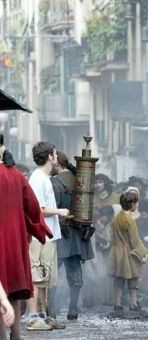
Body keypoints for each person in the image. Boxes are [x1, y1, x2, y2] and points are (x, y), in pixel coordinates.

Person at [0, 136, 53, 339]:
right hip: (14, 242)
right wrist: (40, 230)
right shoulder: (15, 174)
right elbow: (32, 208)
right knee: (12, 291)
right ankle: (15, 336)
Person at [27, 142, 69, 330]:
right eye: (54, 154)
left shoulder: (44, 177)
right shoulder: (37, 179)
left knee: (45, 278)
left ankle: (43, 315)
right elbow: (38, 210)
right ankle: (34, 318)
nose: (56, 157)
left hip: (48, 236)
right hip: (39, 237)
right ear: (49, 157)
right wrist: (59, 212)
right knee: (37, 277)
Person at [49, 151, 94, 320]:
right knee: (75, 272)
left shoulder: (54, 182)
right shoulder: (80, 180)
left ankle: (51, 309)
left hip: (60, 233)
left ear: (57, 163)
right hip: (77, 234)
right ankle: (73, 308)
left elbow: (51, 208)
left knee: (53, 273)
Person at [107, 191, 148, 312]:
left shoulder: (116, 218)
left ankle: (117, 303)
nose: (137, 204)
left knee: (119, 279)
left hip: (116, 251)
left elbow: (112, 236)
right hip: (128, 253)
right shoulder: (130, 220)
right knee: (134, 278)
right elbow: (134, 240)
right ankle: (133, 303)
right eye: (136, 202)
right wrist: (143, 251)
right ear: (132, 204)